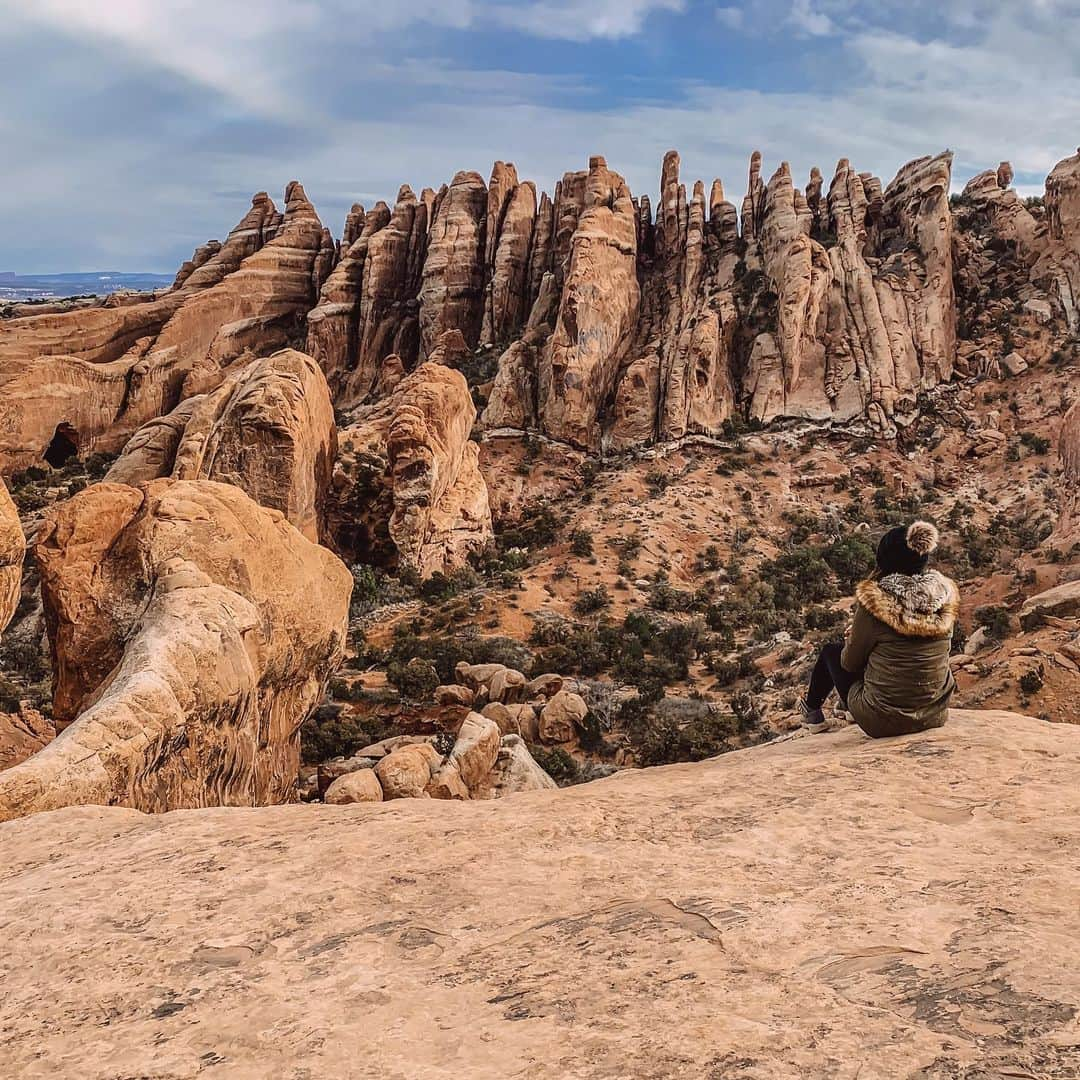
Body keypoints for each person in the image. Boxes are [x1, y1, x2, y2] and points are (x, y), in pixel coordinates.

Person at [800, 520, 958, 738]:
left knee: (831, 652)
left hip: (883, 721)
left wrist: (854, 639)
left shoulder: (877, 604)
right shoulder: (942, 597)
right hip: (934, 713)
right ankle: (844, 709)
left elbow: (849, 663)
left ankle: (812, 716)